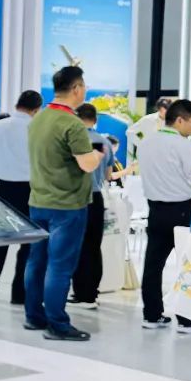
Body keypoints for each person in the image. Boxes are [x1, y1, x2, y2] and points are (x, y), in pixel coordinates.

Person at [24, 67, 103, 341]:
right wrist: (97, 155)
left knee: (37, 262)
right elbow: (86, 164)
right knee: (60, 266)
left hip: (38, 201)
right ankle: (57, 324)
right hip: (67, 205)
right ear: (77, 88)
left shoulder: (38, 118)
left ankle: (34, 316)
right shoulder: (73, 124)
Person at [134, 99, 191, 333]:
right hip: (184, 211)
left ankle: (151, 315)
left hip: (156, 210)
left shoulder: (146, 143)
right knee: (188, 263)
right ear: (180, 120)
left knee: (153, 264)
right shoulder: (184, 145)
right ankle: (186, 320)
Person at [0, 91, 42, 304]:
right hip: (30, 189)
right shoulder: (37, 128)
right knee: (28, 244)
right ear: (36, 109)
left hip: (4, 188)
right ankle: (19, 294)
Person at [70, 103, 116, 310]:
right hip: (97, 198)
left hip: (76, 197)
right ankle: (92, 293)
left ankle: (80, 293)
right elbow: (108, 175)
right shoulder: (104, 141)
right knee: (94, 247)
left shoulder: (73, 140)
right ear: (95, 120)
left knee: (77, 246)